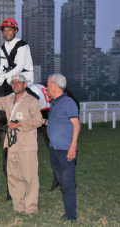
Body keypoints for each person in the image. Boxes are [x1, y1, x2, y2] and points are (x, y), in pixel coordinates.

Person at [0, 74, 43, 214]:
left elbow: (38, 121)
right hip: (11, 144)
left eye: (19, 82)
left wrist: (20, 124)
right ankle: (18, 206)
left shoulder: (32, 101)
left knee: (29, 178)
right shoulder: (9, 99)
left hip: (26, 146)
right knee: (14, 177)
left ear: (25, 85)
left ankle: (30, 208)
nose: (15, 84)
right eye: (13, 82)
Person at [45, 74, 80, 222]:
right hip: (54, 149)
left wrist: (72, 147)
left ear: (54, 85)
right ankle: (68, 213)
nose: (46, 88)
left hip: (66, 151)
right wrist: (45, 122)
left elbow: (76, 125)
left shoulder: (68, 102)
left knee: (68, 184)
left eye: (48, 85)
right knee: (63, 183)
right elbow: (59, 123)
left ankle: (71, 216)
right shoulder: (54, 104)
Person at [0, 18, 34, 87]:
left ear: (16, 31)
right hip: (12, 75)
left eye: (9, 30)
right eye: (4, 31)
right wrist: (1, 74)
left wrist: (5, 76)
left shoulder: (22, 45)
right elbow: (3, 64)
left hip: (25, 75)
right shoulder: (3, 47)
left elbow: (20, 67)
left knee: (11, 80)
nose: (6, 33)